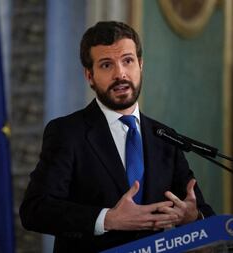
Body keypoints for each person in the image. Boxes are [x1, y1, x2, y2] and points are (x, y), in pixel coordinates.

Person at [19, 21, 215, 252]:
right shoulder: (67, 132)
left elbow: (201, 212)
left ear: (140, 65)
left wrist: (193, 217)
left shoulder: (164, 137)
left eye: (128, 61)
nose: (120, 73)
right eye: (106, 65)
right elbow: (35, 210)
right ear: (90, 75)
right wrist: (107, 219)